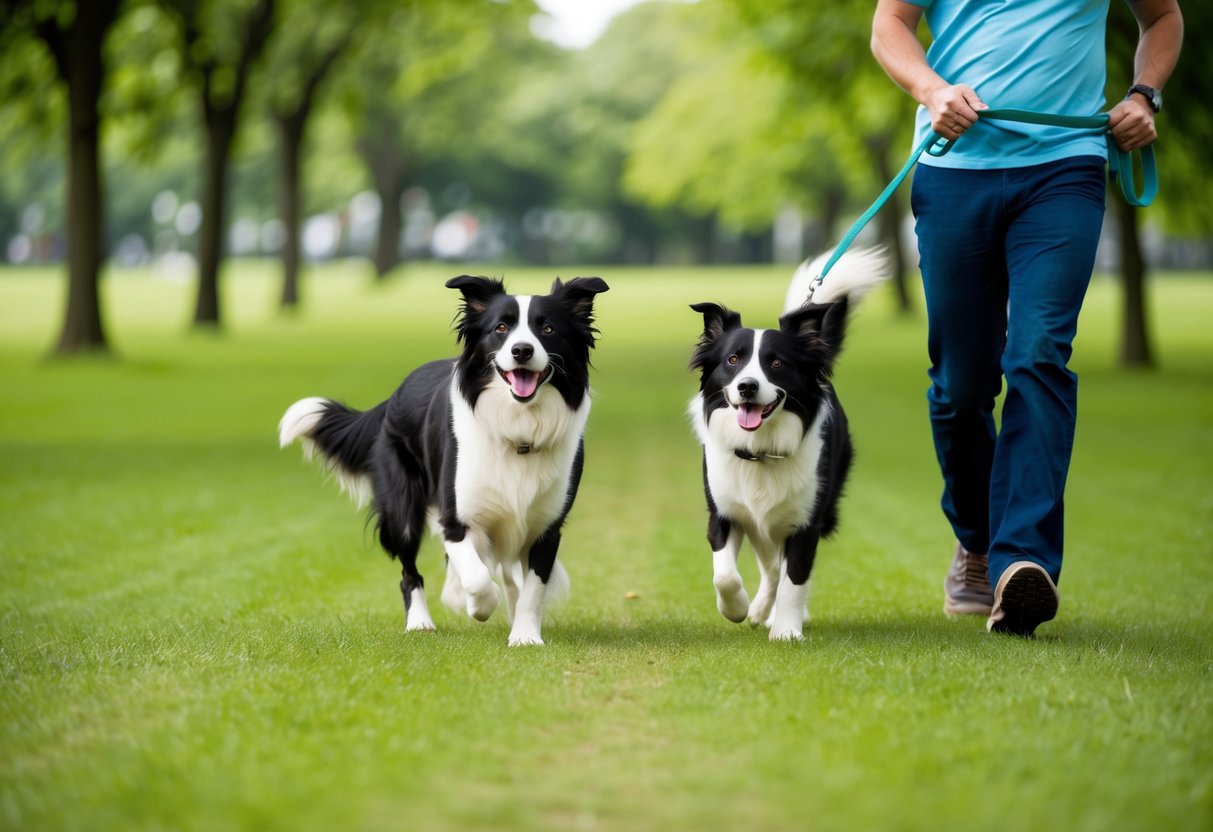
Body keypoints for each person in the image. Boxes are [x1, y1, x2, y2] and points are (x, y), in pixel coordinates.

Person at [870, 0, 1184, 636]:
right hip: (954, 169)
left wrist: (1144, 94)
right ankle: (979, 542)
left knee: (1039, 353)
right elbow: (889, 27)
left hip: (1065, 171)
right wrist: (931, 90)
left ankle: (1023, 562)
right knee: (960, 386)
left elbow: (1163, 18)